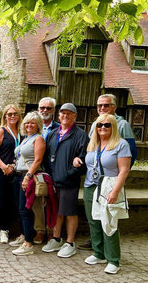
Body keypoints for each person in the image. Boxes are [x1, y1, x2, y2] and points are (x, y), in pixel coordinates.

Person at [79, 93, 138, 251]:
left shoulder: (122, 124)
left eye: (106, 105)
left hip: (110, 179)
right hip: (93, 180)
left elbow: (130, 153)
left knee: (108, 216)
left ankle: (110, 252)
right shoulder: (95, 124)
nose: (102, 108)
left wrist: (118, 176)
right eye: (100, 105)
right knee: (94, 215)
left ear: (114, 107)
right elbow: (92, 149)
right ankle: (96, 245)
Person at [81, 114, 131, 274]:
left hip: (108, 187)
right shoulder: (93, 144)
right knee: (94, 221)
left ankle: (113, 260)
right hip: (91, 187)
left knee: (109, 223)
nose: (102, 127)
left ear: (113, 127)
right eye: (99, 124)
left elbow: (124, 170)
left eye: (107, 125)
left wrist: (115, 191)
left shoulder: (121, 144)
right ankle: (99, 253)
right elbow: (89, 163)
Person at [42, 103, 88, 258]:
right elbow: (47, 155)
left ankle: (69, 243)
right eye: (62, 113)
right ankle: (56, 239)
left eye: (69, 114)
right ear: (59, 115)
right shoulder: (53, 133)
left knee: (69, 212)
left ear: (75, 116)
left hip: (69, 181)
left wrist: (69, 173)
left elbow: (83, 160)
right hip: (53, 180)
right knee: (56, 211)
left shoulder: (80, 135)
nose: (65, 116)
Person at [11, 112, 45, 255]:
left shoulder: (38, 139)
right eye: (27, 122)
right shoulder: (26, 139)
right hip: (19, 175)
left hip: (28, 177)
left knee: (26, 210)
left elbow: (37, 160)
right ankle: (25, 235)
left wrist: (28, 177)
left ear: (38, 125)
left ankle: (28, 244)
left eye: (32, 123)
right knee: (20, 209)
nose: (29, 125)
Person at [0, 104, 21, 244]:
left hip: (14, 171)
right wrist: (3, 167)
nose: (12, 116)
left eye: (15, 114)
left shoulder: (21, 132)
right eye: (9, 114)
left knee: (11, 202)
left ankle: (5, 230)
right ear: (5, 117)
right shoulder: (1, 131)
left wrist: (13, 166)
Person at [34, 97, 59, 244]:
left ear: (54, 111)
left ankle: (51, 231)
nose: (45, 110)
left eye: (48, 108)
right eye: (42, 108)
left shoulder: (59, 128)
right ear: (38, 109)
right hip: (36, 169)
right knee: (36, 201)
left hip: (52, 169)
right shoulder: (32, 127)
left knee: (52, 201)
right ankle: (39, 231)